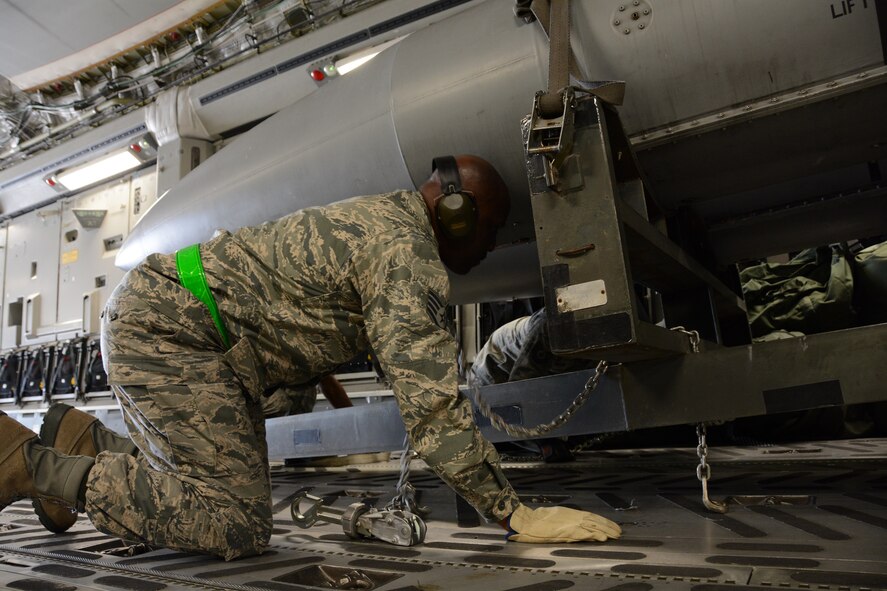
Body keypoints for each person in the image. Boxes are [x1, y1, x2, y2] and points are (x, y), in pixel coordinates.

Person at [1, 154, 620, 560]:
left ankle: (81, 440)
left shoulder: (380, 225)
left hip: (177, 325)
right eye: (490, 230)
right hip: (170, 332)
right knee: (235, 522)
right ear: (457, 215)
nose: (489, 249)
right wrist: (515, 514)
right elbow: (432, 412)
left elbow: (302, 326)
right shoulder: (405, 257)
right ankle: (29, 464)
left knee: (215, 469)